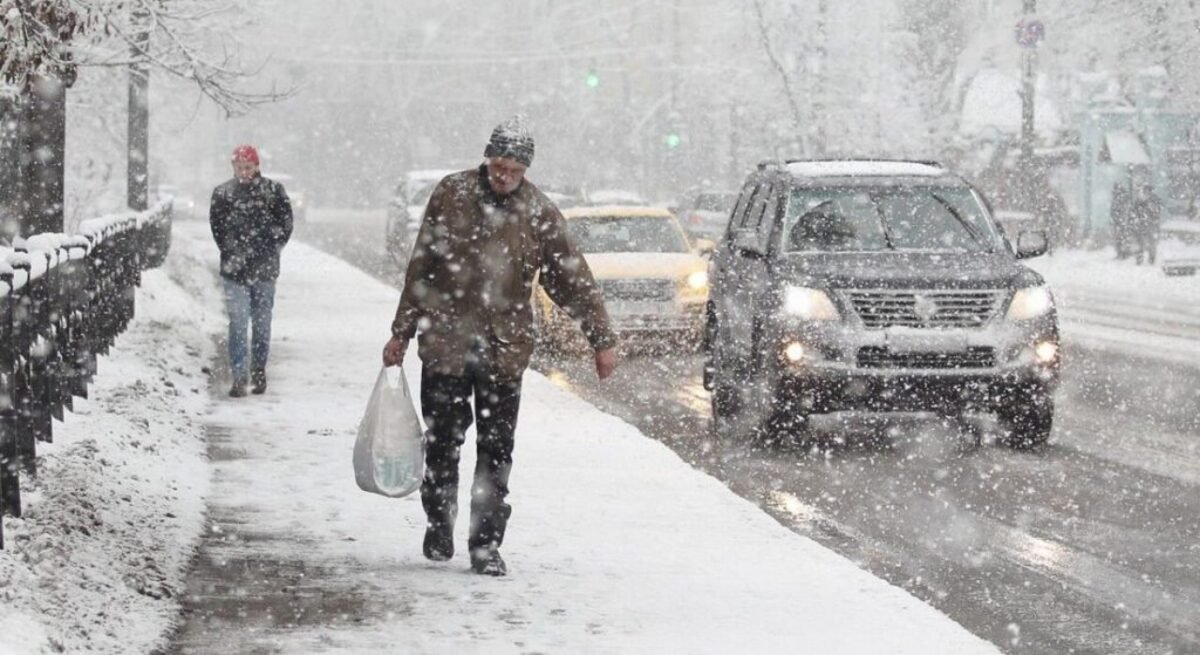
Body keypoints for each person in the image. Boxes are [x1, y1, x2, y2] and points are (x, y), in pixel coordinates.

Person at [382, 116, 618, 576]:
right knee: (443, 444)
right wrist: (401, 331)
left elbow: (571, 279)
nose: (504, 176)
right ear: (486, 159)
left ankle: (486, 545)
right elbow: (422, 267)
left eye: (513, 169)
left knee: (496, 452)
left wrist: (601, 339)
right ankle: (438, 519)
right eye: (498, 166)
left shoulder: (538, 211)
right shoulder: (451, 194)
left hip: (502, 352)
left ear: (526, 169)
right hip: (446, 345)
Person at [209, 144, 294, 397]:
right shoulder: (223, 193)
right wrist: (232, 250)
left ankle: (258, 369)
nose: (243, 172)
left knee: (261, 322)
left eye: (248, 167)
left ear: (257, 166)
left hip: (265, 269)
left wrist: (270, 247)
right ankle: (238, 374)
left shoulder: (274, 191)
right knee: (237, 321)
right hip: (235, 270)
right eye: (239, 167)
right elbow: (218, 228)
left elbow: (285, 224)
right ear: (233, 167)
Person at [1130, 181, 1164, 265]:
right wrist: (1136, 218)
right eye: (1145, 190)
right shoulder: (1140, 200)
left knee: (1151, 243)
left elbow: (1158, 210)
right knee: (1140, 242)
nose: (1146, 192)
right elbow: (1133, 210)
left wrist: (1153, 215)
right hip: (1142, 224)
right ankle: (1140, 259)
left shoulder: (1154, 199)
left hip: (1150, 224)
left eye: (1148, 190)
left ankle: (1150, 259)